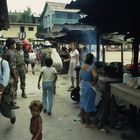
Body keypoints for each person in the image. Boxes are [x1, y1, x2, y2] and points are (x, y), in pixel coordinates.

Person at [79, 53, 98, 128]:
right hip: (89, 87)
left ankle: (83, 119)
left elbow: (80, 77)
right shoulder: (91, 67)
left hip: (83, 85)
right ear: (92, 60)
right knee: (88, 105)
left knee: (83, 103)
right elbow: (95, 76)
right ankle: (88, 123)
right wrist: (94, 82)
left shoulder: (83, 66)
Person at [0, 48, 16, 124]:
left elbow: (5, 79)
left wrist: (1, 92)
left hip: (4, 88)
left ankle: (12, 115)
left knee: (5, 107)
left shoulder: (4, 63)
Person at [3, 38, 19, 109]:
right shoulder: (11, 53)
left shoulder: (5, 52)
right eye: (14, 44)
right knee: (11, 88)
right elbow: (12, 67)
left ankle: (9, 101)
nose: (15, 45)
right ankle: (11, 103)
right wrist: (15, 76)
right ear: (11, 45)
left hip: (5, 72)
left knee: (8, 88)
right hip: (9, 74)